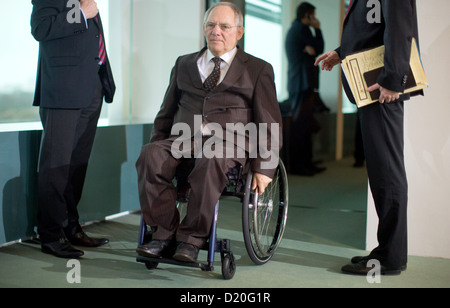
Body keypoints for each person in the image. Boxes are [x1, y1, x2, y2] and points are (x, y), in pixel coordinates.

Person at [135, 2, 282, 263]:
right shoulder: (184, 63)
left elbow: (269, 121)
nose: (217, 31)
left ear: (239, 32)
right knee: (150, 155)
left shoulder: (258, 69)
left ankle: (191, 240)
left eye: (225, 26)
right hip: (185, 139)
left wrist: (265, 168)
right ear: (204, 28)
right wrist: (159, 146)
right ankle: (162, 234)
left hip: (230, 143)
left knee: (212, 156)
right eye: (212, 25)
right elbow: (166, 112)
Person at [315, 0, 423, 275]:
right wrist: (341, 53)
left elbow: (399, 28)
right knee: (381, 171)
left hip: (381, 86)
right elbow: (371, 29)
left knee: (387, 172)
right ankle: (388, 250)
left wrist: (392, 78)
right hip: (371, 86)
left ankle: (390, 256)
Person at [31, 0, 116, 258]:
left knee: (77, 164)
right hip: (63, 89)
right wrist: (79, 13)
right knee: (56, 165)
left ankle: (70, 226)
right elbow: (40, 29)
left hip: (93, 86)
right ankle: (50, 233)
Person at [285, 2, 326, 176]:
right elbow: (320, 49)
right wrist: (318, 29)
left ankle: (306, 163)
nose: (315, 19)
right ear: (306, 15)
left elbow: (314, 50)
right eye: (313, 16)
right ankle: (298, 165)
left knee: (305, 124)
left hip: (301, 83)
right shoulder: (301, 29)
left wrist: (312, 49)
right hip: (301, 83)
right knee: (300, 125)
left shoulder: (297, 29)